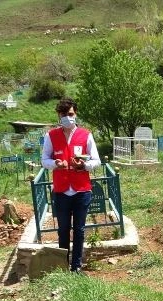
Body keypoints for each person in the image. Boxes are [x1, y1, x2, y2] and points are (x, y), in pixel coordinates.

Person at [41, 98, 101, 274]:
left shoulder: (86, 135)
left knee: (80, 230)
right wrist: (55, 164)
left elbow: (96, 160)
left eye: (70, 114)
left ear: (75, 114)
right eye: (64, 114)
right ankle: (62, 265)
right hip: (61, 190)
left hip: (81, 189)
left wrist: (84, 165)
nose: (67, 117)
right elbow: (44, 160)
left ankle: (76, 266)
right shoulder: (51, 136)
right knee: (63, 229)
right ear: (58, 116)